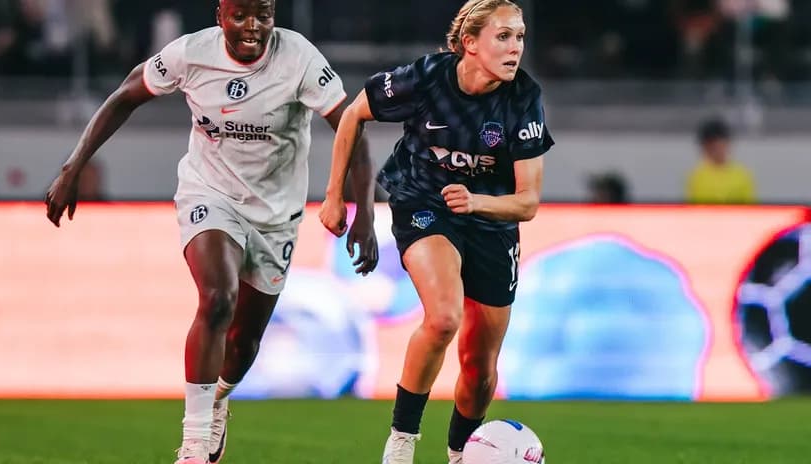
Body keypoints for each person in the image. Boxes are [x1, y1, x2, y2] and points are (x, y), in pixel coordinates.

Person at [43, 1, 379, 463]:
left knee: (244, 342)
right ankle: (195, 443)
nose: (253, 27)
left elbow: (352, 127)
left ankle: (218, 398)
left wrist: (362, 211)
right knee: (218, 297)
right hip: (209, 194)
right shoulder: (190, 53)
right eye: (240, 16)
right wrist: (72, 166)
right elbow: (125, 95)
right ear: (221, 16)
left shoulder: (299, 57)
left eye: (263, 15)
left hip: (275, 215)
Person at [319, 1, 554, 463]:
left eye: (520, 37)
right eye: (503, 36)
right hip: (423, 203)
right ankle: (401, 442)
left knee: (480, 366)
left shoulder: (523, 97)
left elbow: (527, 202)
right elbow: (352, 114)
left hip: (491, 220)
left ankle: (460, 453)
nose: (515, 48)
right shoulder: (426, 78)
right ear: (470, 43)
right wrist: (334, 196)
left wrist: (477, 202)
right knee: (444, 317)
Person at [685, 117, 756, 204]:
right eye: (709, 146)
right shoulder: (696, 177)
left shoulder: (742, 176)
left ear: (727, 143)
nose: (715, 150)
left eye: (716, 145)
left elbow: (750, 207)